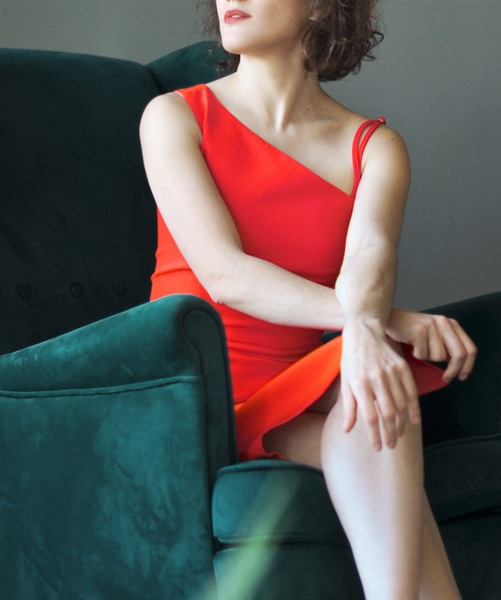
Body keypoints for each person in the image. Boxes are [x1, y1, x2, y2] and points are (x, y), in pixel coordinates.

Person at [140, 1, 477, 598]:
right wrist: (376, 325)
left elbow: (371, 262)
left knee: (373, 395)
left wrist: (369, 324)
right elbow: (224, 275)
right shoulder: (173, 116)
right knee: (375, 379)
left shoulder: (374, 147)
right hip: (184, 388)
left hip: (291, 396)